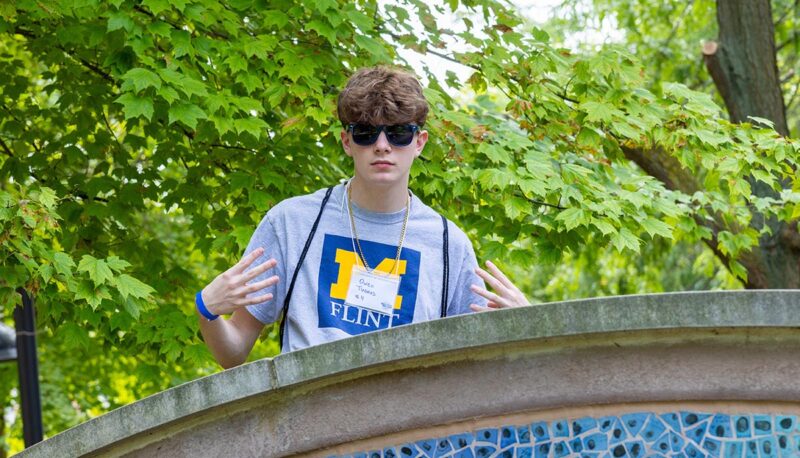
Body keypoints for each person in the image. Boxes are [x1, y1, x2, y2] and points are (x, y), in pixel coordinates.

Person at [196, 66, 529, 368]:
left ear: (419, 142)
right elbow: (234, 352)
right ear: (346, 141)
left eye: (398, 133)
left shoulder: (448, 245)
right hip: (307, 422)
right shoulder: (291, 223)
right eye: (366, 133)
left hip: (404, 428)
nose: (382, 146)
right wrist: (206, 309)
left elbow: (475, 370)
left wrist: (526, 328)